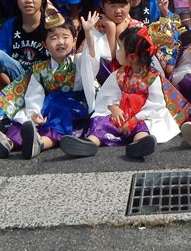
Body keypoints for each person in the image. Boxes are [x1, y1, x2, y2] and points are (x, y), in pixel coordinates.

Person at [0, 7, 99, 159]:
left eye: (65, 37)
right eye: (54, 38)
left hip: (73, 106)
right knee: (24, 121)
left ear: (74, 40)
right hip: (48, 106)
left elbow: (91, 61)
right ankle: (8, 143)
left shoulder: (78, 61)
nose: (61, 42)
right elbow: (34, 95)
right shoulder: (39, 69)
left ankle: (41, 143)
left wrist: (89, 33)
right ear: (44, 44)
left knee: (57, 123)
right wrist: (34, 113)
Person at [66, 26, 180, 159]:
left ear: (131, 57)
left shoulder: (152, 78)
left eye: (120, 48)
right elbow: (107, 95)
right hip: (120, 114)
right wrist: (113, 107)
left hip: (140, 116)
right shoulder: (119, 75)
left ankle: (140, 143)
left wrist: (134, 120)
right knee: (101, 122)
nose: (117, 50)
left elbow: (155, 105)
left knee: (144, 126)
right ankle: (90, 142)